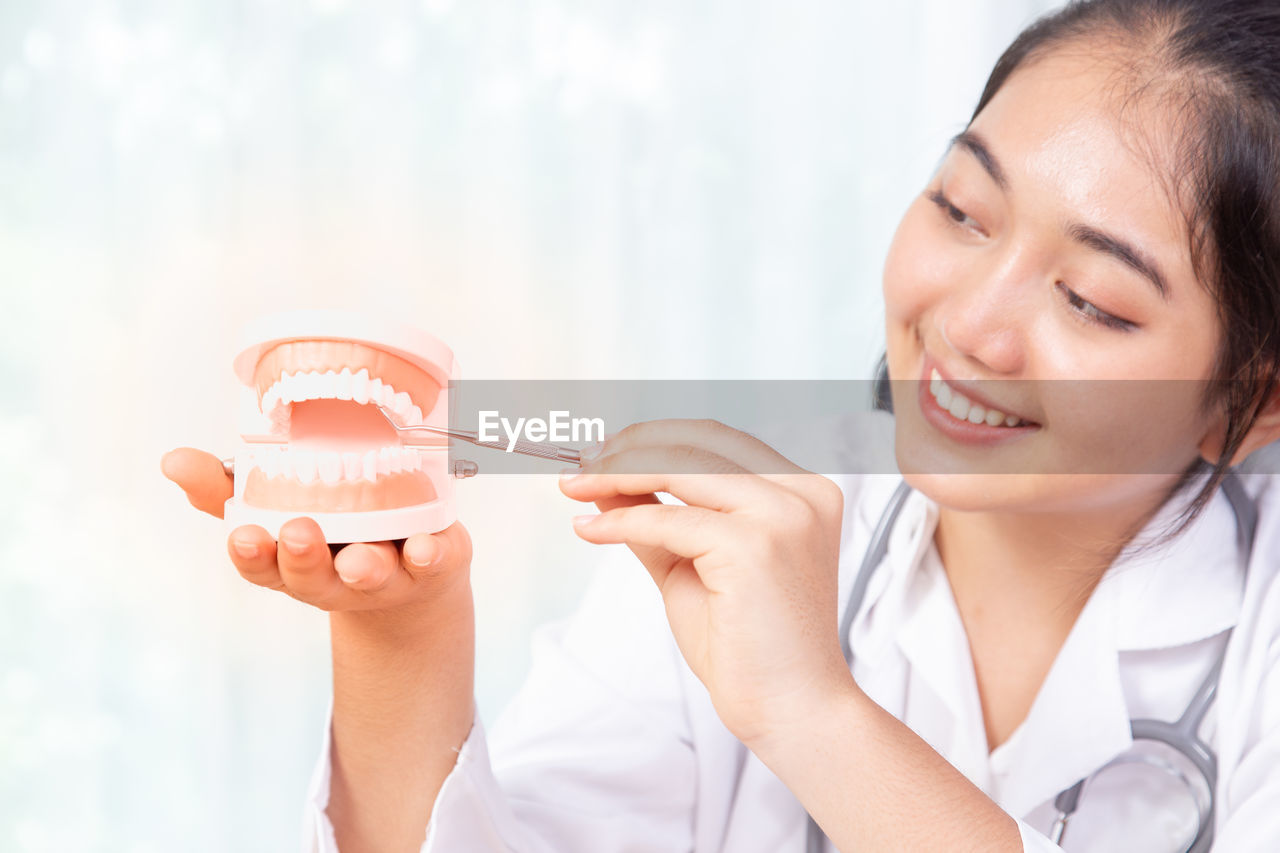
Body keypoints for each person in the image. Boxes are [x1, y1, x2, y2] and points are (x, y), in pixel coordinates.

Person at [162, 0, 1280, 849]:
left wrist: (811, 713)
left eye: (1090, 301)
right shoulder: (743, 516)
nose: (970, 329)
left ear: (1255, 402)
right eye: (960, 211)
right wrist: (397, 628)